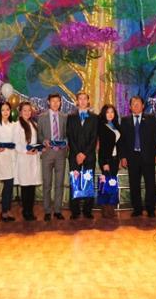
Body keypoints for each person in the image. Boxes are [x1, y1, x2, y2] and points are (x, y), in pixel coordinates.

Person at [117, 96, 156, 217]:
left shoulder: (151, 119)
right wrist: (123, 157)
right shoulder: (125, 120)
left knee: (150, 184)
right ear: (130, 107)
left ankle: (150, 208)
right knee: (134, 184)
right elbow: (122, 141)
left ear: (143, 106)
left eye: (138, 103)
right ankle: (137, 209)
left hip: (148, 156)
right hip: (132, 157)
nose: (136, 106)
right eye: (133, 104)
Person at [67, 92, 98, 220]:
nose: (83, 101)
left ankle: (87, 210)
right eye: (80, 99)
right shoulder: (71, 117)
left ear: (88, 101)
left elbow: (94, 138)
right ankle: (75, 211)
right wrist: (78, 153)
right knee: (75, 183)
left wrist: (84, 154)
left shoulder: (94, 118)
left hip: (89, 156)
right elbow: (70, 137)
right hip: (74, 156)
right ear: (77, 101)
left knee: (88, 182)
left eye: (85, 98)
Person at [37, 93, 68, 221]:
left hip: (60, 154)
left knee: (59, 183)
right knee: (47, 183)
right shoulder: (41, 117)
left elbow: (67, 135)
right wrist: (43, 141)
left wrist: (65, 142)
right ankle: (47, 210)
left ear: (60, 103)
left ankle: (58, 210)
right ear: (48, 102)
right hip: (47, 153)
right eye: (53, 101)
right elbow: (39, 135)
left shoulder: (64, 117)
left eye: (58, 101)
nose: (55, 103)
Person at [0, 101, 17, 222]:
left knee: (10, 184)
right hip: (2, 156)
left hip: (13, 157)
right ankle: (5, 211)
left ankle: (7, 209)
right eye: (3, 110)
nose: (5, 112)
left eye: (7, 110)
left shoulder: (14, 125)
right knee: (8, 183)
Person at [13, 101, 41, 221]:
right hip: (23, 159)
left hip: (33, 158)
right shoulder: (17, 125)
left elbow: (37, 141)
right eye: (25, 110)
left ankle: (30, 210)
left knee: (32, 186)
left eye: (29, 110)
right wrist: (26, 151)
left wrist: (38, 149)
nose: (27, 112)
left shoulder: (34, 124)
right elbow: (16, 144)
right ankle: (26, 211)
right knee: (25, 186)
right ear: (20, 112)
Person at [97, 104, 121, 219]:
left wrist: (120, 158)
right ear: (104, 114)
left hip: (115, 158)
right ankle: (105, 209)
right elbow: (102, 147)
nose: (110, 114)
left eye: (112, 112)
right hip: (106, 159)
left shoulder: (116, 126)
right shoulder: (102, 126)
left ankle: (111, 208)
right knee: (105, 184)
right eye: (107, 112)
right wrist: (104, 162)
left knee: (112, 183)